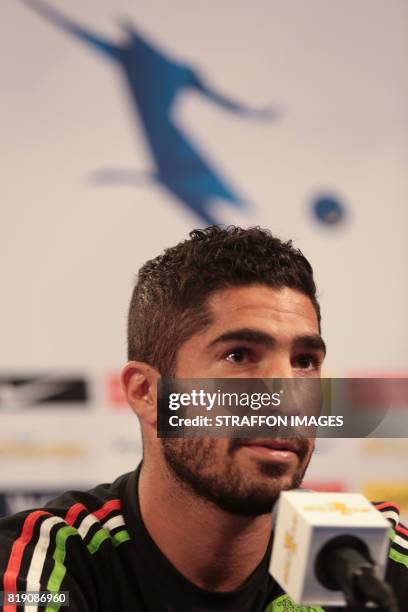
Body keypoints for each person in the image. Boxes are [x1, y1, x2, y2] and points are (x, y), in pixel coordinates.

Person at [0, 226, 406, 612]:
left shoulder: (374, 557)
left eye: (304, 362)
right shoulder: (49, 559)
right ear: (147, 393)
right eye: (239, 355)